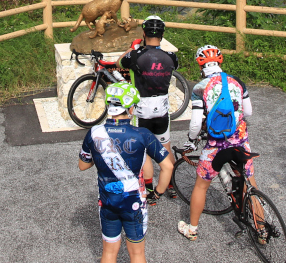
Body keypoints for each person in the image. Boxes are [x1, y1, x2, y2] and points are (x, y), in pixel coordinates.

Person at [79, 81, 174, 263]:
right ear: (130, 108)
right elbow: (167, 166)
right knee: (137, 254)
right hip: (134, 202)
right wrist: (157, 194)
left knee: (108, 252)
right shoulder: (142, 134)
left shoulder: (94, 132)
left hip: (107, 201)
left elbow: (83, 165)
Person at [177, 45, 255, 241]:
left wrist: (191, 140)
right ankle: (261, 228)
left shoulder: (199, 87)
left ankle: (192, 228)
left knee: (201, 186)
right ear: (220, 61)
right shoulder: (237, 82)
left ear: (199, 64)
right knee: (251, 184)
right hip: (240, 140)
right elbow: (249, 112)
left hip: (216, 145)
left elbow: (195, 124)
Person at [117, 15, 179, 203]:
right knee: (165, 148)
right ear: (162, 34)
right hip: (162, 111)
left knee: (143, 152)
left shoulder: (136, 55)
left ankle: (149, 189)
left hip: (141, 111)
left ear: (143, 33)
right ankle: (171, 186)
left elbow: (119, 63)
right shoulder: (171, 57)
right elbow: (172, 66)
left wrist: (132, 47)